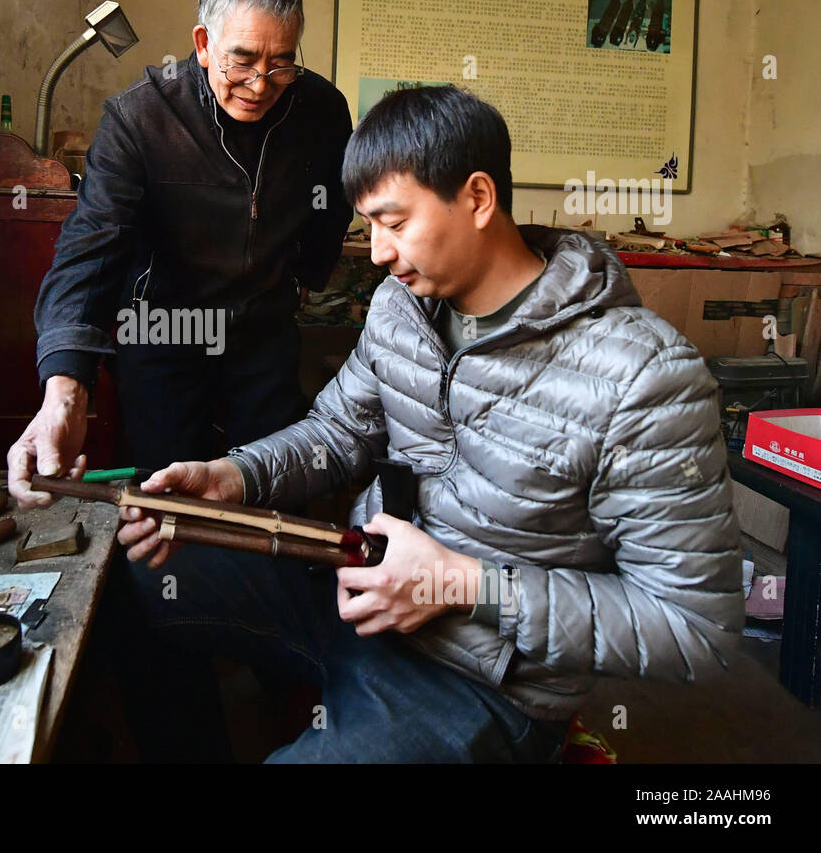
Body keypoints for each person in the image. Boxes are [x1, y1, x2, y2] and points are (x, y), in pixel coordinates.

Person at [113, 85, 746, 762]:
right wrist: (234, 475)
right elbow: (338, 432)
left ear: (477, 198)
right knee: (125, 576)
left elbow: (695, 630)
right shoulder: (401, 307)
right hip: (357, 591)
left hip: (482, 681)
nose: (379, 253)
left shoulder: (641, 375)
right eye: (368, 226)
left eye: (394, 222)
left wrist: (459, 584)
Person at [7, 0, 352, 506]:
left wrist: (307, 272)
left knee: (270, 490)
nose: (261, 84)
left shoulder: (322, 111)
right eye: (241, 60)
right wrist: (65, 390)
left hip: (261, 328)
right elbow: (90, 248)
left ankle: (263, 590)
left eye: (282, 63)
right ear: (203, 43)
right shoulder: (141, 118)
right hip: (166, 326)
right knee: (169, 495)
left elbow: (333, 203)